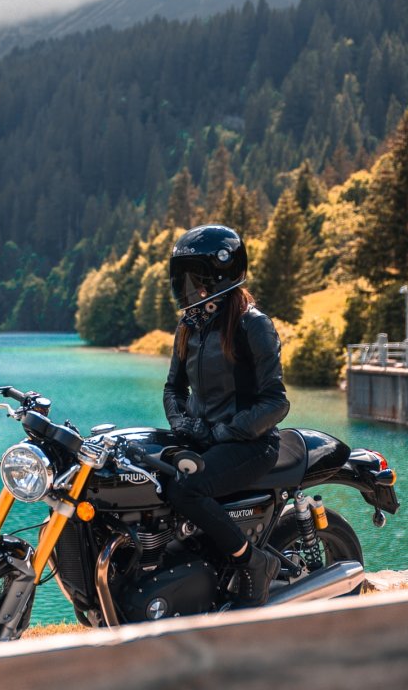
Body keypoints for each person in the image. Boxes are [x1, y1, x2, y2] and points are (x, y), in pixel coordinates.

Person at [162, 224, 289, 607]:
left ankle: (254, 562)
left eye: (194, 278)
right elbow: (173, 389)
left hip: (251, 443)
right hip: (202, 437)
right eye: (181, 278)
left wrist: (222, 433)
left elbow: (276, 403)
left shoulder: (253, 324)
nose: (187, 287)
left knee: (187, 488)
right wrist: (180, 423)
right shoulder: (190, 325)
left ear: (220, 275)